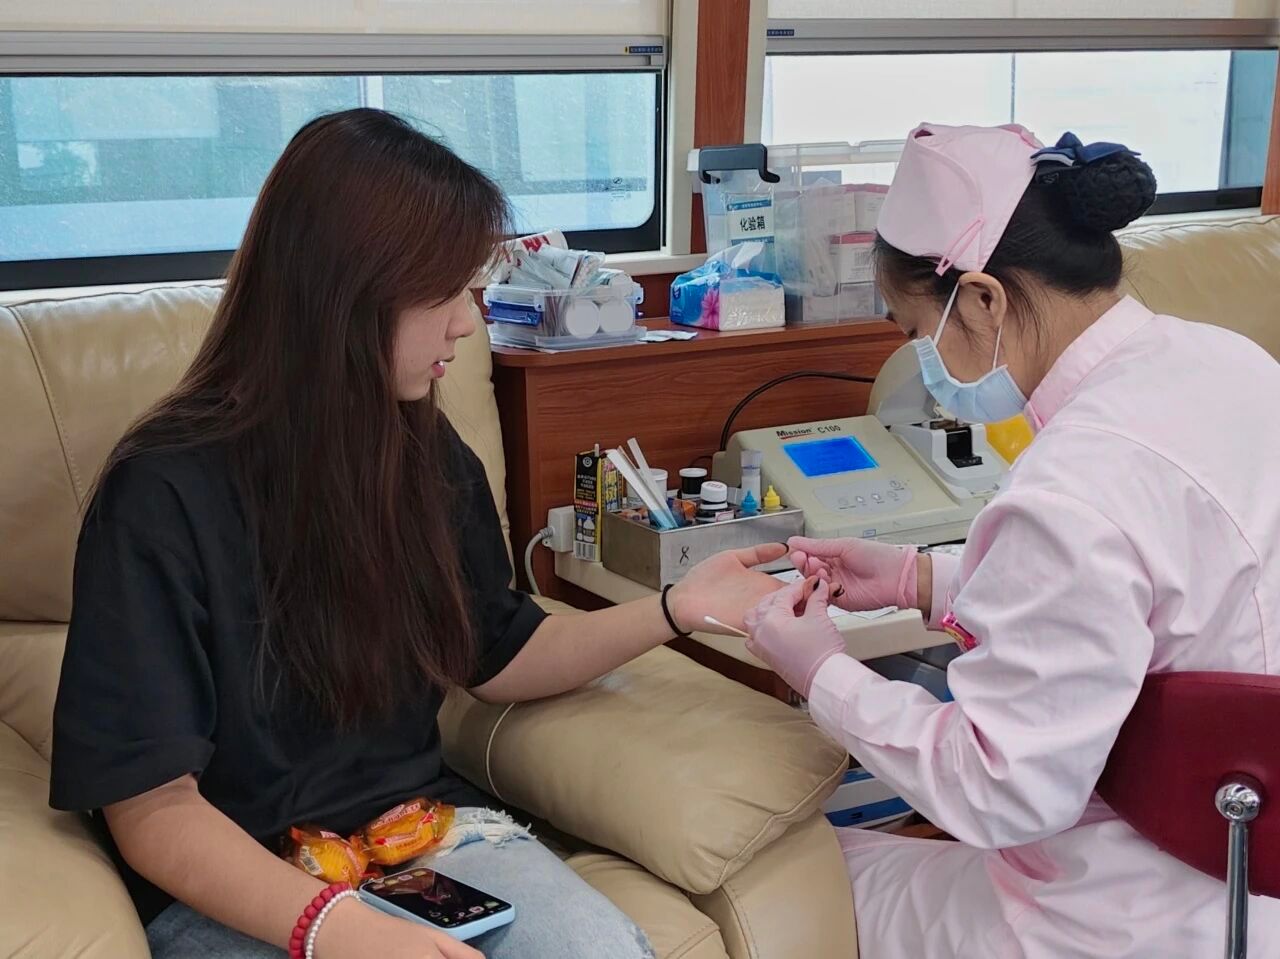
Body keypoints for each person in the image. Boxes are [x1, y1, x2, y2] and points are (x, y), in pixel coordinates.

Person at [49, 109, 785, 959]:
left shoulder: (422, 450)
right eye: (443, 292)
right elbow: (152, 806)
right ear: (345, 292)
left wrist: (676, 607)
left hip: (418, 839)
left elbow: (502, 653)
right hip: (241, 879)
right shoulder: (161, 492)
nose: (468, 322)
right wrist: (342, 930)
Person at [743, 123, 1280, 958]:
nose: (918, 357)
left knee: (783, 874)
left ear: (984, 299)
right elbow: (1162, 601)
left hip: (1116, 917)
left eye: (913, 330)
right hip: (1248, 875)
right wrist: (922, 579)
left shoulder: (1071, 485)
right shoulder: (1233, 363)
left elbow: (1000, 790)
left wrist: (824, 673)